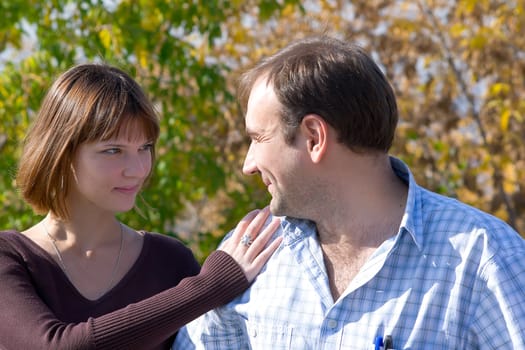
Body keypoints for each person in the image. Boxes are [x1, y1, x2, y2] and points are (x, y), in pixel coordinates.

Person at [173, 35, 525, 349]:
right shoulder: (247, 254)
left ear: (314, 137)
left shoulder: (485, 259)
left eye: (258, 139)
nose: (248, 164)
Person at [0, 63, 282, 350]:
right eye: (113, 150)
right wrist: (209, 287)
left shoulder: (170, 261)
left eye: (144, 148)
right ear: (61, 152)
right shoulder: (10, 257)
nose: (136, 169)